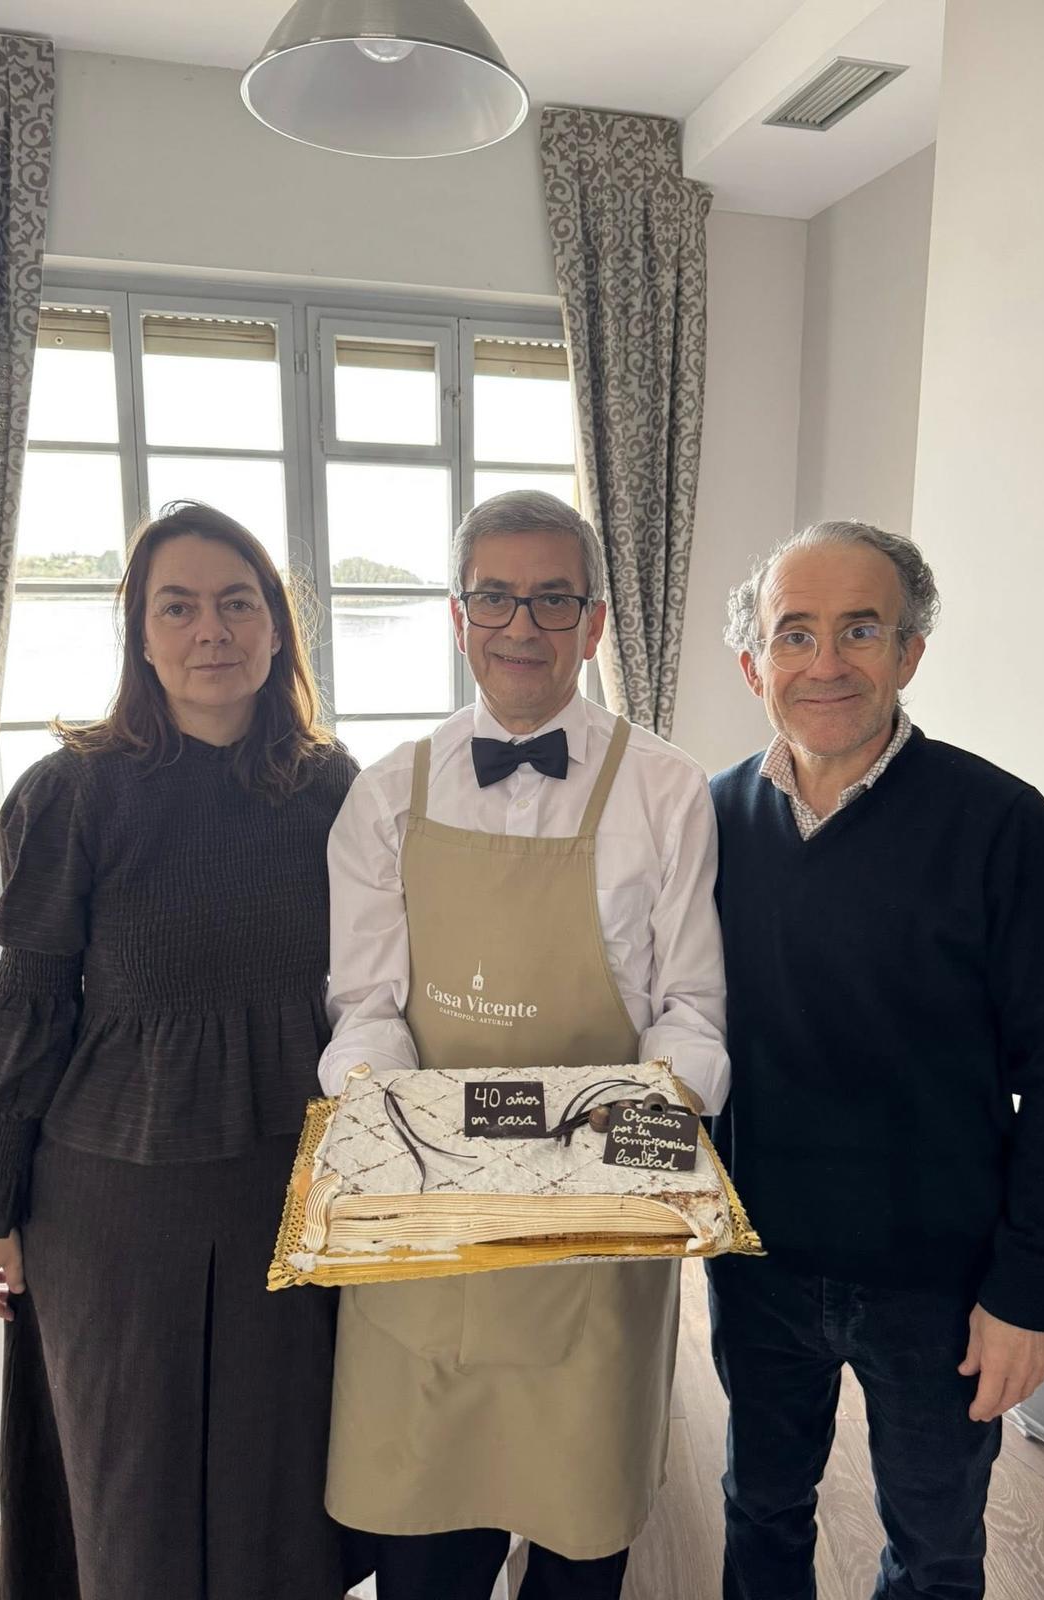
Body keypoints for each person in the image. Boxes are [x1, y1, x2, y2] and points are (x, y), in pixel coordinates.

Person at [0, 503, 359, 1600]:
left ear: (274, 631)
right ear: (141, 632)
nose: (210, 629)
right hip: (109, 1195)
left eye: (236, 602)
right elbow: (25, 1005)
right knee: (131, 1480)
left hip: (290, 1177)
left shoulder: (333, 788)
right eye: (179, 605)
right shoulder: (71, 792)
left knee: (280, 1474)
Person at [319, 489, 730, 1600]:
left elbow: (690, 1008)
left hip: (591, 1234)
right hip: (430, 1226)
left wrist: (636, 1124)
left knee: (581, 1548)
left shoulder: (668, 788)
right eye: (495, 596)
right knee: (424, 1555)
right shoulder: (383, 795)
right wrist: (424, 1143)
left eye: (553, 599)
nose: (521, 627)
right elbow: (364, 1007)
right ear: (458, 615)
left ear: (596, 622)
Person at [707, 518, 1044, 1600]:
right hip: (758, 1265)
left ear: (910, 652)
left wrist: (1030, 1288)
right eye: (794, 634)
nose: (825, 662)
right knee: (761, 1506)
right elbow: (679, 1028)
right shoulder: (704, 824)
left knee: (933, 1547)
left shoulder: (1006, 831)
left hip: (944, 1285)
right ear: (754, 662)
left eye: (860, 629)